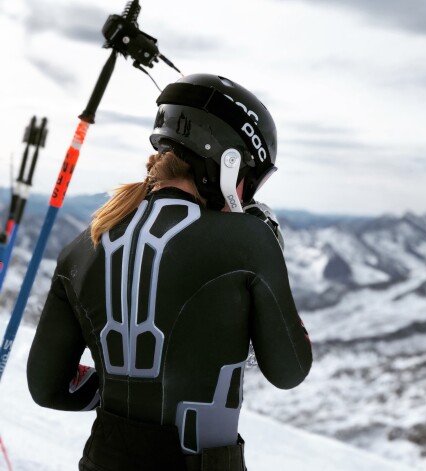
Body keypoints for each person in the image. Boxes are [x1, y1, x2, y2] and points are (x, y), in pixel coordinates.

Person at [27, 74, 312, 471]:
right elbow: (289, 370)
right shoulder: (248, 240)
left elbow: (47, 387)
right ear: (229, 164)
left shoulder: (84, 242)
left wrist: (122, 390)